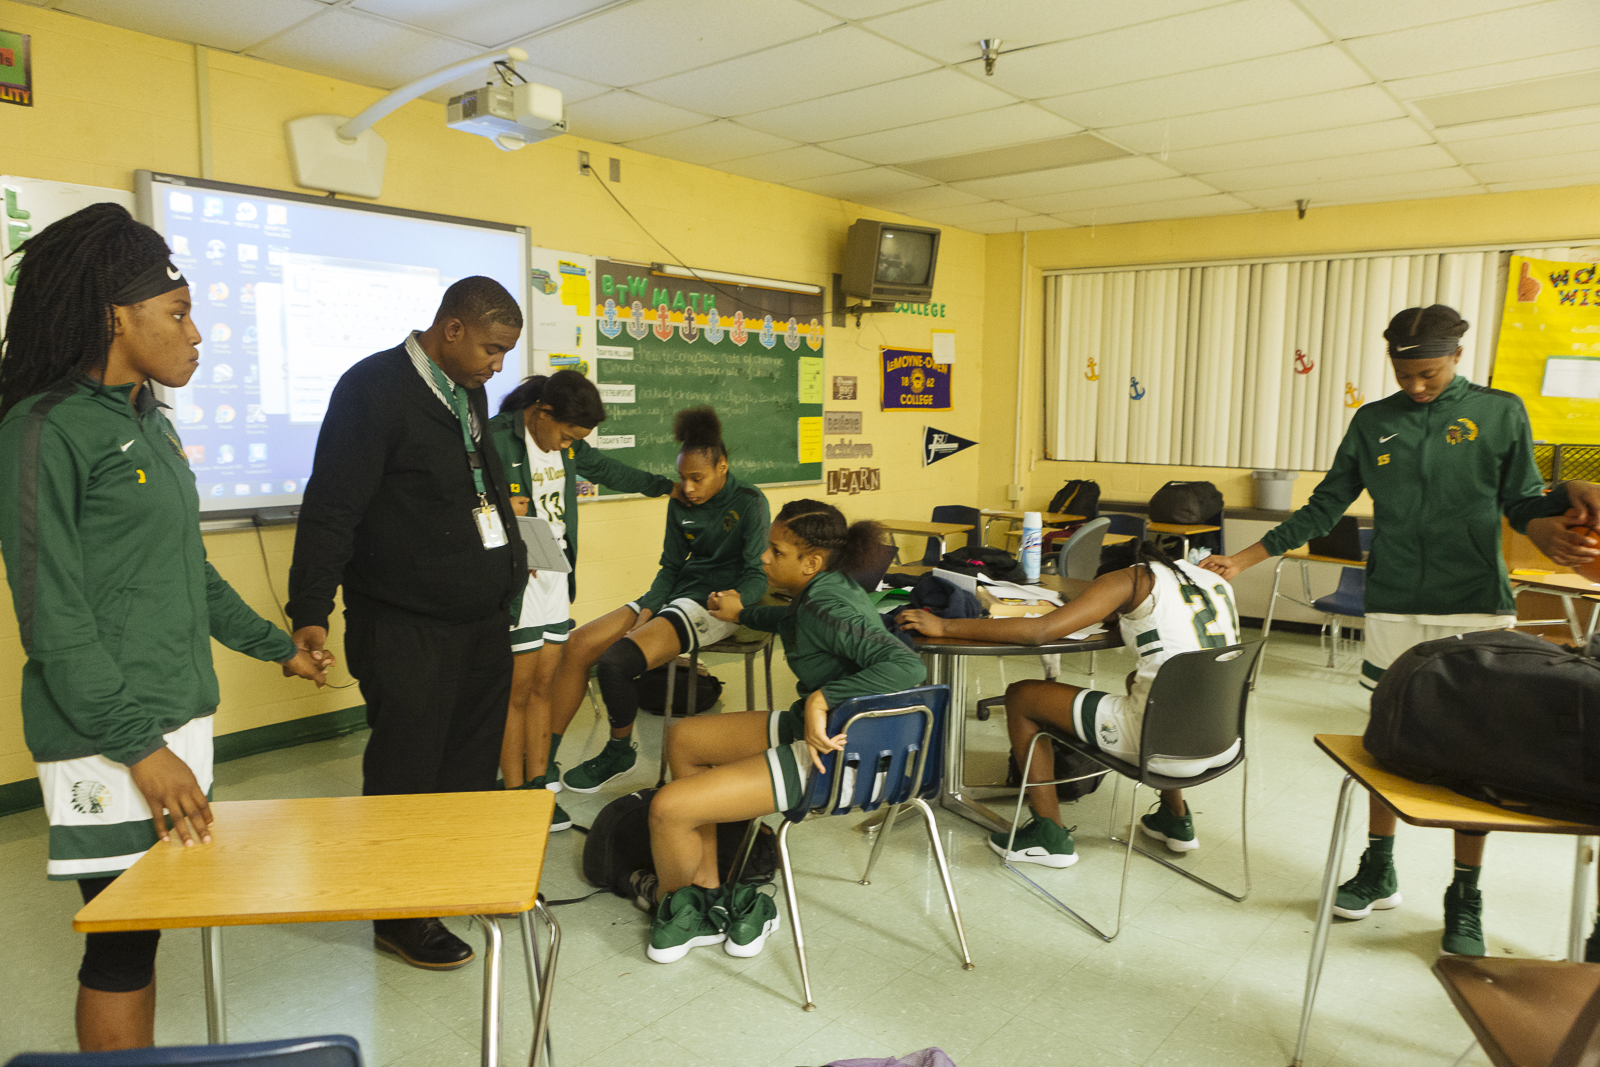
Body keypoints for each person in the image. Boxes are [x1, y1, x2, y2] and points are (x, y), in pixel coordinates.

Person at [0, 204, 329, 1050]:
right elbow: (53, 618)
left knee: (145, 932)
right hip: (108, 735)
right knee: (119, 942)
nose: (197, 333)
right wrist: (141, 748)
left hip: (179, 716)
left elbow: (189, 572)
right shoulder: (43, 429)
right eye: (179, 313)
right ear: (117, 316)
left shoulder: (147, 417)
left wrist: (277, 645)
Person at [1201, 303, 1600, 957]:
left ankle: (1464, 890)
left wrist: (1550, 522)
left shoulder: (1501, 412)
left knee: (1476, 750)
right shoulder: (1373, 421)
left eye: (1431, 374)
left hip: (1474, 602)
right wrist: (1242, 559)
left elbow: (1523, 497)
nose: (1416, 386)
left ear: (1457, 359)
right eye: (1406, 373)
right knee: (1387, 736)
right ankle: (1378, 862)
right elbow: (1327, 501)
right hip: (1392, 602)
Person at [286, 276, 526, 971]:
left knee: (468, 766)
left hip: (479, 620)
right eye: (490, 348)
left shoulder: (468, 389)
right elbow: (331, 505)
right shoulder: (372, 389)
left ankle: (447, 882)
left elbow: (474, 487)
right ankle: (399, 914)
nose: (497, 365)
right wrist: (311, 611)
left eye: (505, 352)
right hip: (405, 625)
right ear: (450, 329)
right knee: (408, 769)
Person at [639, 501, 927, 962]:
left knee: (668, 809)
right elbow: (793, 621)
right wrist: (740, 615)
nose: (763, 559)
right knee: (684, 739)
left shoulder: (828, 599)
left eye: (775, 551)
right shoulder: (822, 591)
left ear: (811, 562)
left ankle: (682, 910)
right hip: (830, 731)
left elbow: (906, 664)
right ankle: (707, 889)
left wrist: (822, 697)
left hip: (846, 753)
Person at [898, 540, 1240, 868]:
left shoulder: (1130, 578)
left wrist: (944, 625)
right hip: (1223, 739)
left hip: (1164, 747)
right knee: (1142, 684)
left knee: (1022, 696)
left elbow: (1039, 632)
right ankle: (1175, 818)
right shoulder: (1205, 578)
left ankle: (1048, 837)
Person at [485, 370, 676, 832]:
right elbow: (459, 498)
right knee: (517, 691)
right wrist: (498, 511)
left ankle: (538, 787)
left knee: (543, 686)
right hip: (517, 577)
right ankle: (513, 793)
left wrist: (666, 486)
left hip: (553, 570)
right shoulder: (496, 437)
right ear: (541, 413)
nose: (565, 446)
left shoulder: (567, 443)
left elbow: (610, 471)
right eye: (565, 434)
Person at [544, 407, 769, 794]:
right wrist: (648, 606)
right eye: (683, 478)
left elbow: (755, 573)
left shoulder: (750, 502)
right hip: (676, 593)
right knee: (579, 645)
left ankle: (619, 750)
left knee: (616, 663)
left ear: (723, 467)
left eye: (697, 478)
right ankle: (543, 760)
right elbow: (669, 566)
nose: (689, 488)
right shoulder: (681, 501)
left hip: (714, 603)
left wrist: (738, 602)